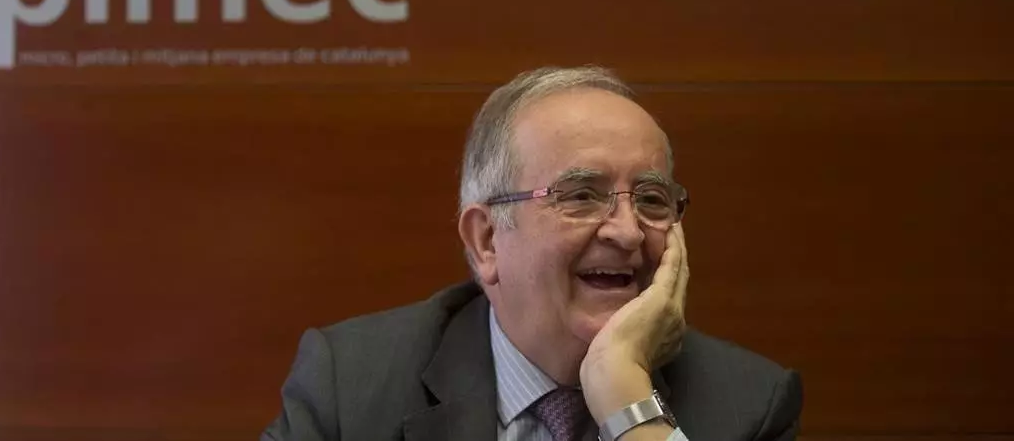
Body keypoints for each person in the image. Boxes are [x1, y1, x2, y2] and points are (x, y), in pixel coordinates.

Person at [262, 66, 803, 441]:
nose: (628, 233)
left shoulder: (748, 405)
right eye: (581, 195)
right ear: (487, 241)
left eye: (652, 200)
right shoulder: (350, 385)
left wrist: (627, 404)